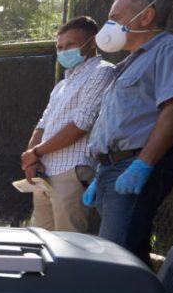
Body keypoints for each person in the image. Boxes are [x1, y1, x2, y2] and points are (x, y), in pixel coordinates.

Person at [82, 0, 173, 264]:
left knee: (114, 261)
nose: (108, 26)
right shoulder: (127, 64)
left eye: (115, 18)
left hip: (136, 164)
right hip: (111, 169)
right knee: (130, 257)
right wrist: (102, 169)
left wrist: (143, 164)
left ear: (146, 16)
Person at [19, 16, 115, 233]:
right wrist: (32, 158)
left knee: (70, 246)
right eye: (60, 47)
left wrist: (36, 151)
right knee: (42, 243)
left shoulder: (102, 71)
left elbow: (82, 123)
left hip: (72, 173)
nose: (63, 51)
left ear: (92, 43)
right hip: (45, 174)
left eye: (70, 45)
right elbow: (43, 123)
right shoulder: (62, 84)